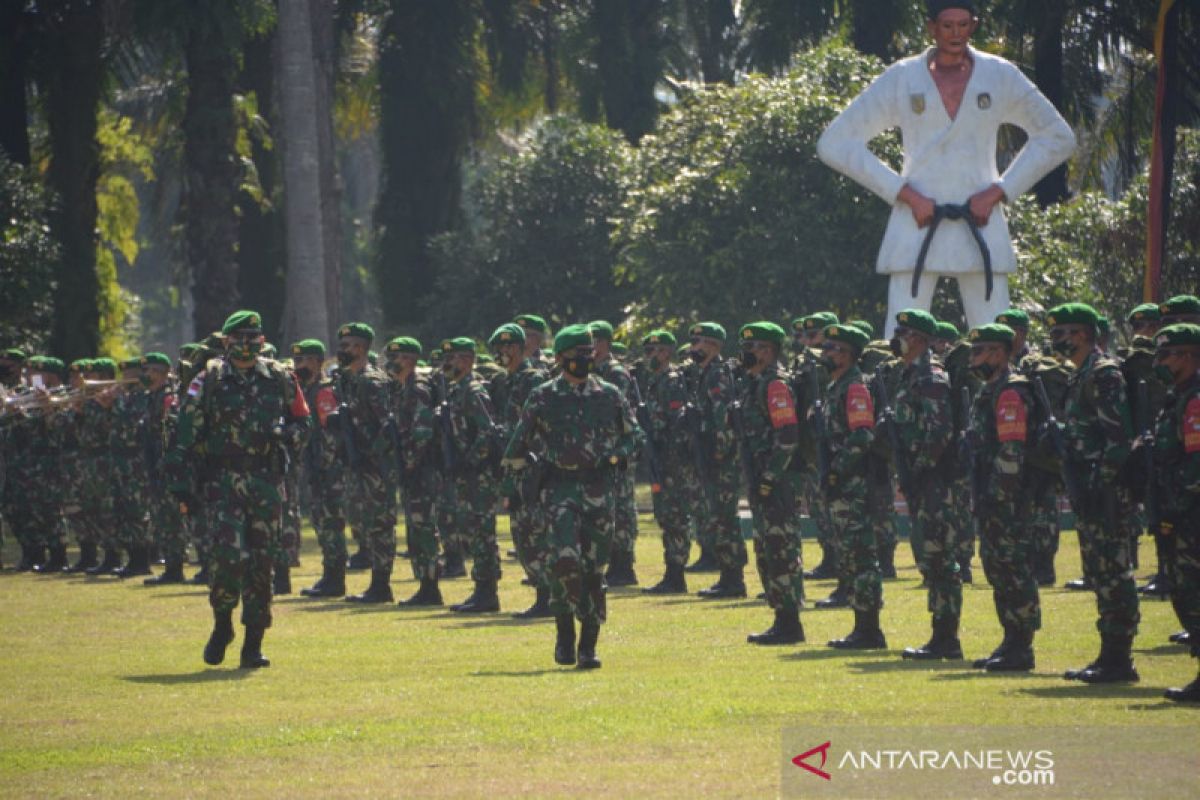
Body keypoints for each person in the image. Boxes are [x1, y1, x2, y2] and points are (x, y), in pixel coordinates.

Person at [816, 0, 1075, 334]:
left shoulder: (999, 75)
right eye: (948, 25)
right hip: (916, 220)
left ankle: (1003, 388)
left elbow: (1058, 137)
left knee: (996, 337)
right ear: (932, 28)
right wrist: (902, 193)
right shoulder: (903, 77)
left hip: (981, 219)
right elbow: (834, 143)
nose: (956, 34)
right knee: (901, 340)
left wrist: (1000, 191)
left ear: (974, 25)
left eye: (963, 25)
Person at [167, 310, 312, 668]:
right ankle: (222, 625)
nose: (245, 346)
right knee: (227, 558)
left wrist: (286, 437)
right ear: (226, 342)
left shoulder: (280, 378)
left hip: (265, 481)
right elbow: (186, 431)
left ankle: (253, 642)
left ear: (262, 342)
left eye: (252, 338)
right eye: (237, 339)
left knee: (263, 563)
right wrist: (182, 484)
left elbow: (303, 422)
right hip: (222, 482)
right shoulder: (209, 378)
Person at [502, 324, 642, 668]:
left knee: (594, 570)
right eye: (577, 353)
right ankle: (564, 630)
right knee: (564, 561)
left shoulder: (608, 394)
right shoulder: (544, 395)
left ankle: (588, 645)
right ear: (562, 358)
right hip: (558, 489)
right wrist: (515, 485)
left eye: (588, 352)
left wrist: (614, 456)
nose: (585, 358)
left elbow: (633, 435)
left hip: (598, 490)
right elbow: (518, 444)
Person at [1047, 303, 1141, 683]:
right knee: (1100, 572)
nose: (1058, 341)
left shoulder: (1103, 375)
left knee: (1114, 573)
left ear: (1084, 334)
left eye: (1064, 333)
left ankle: (1119, 659)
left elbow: (1118, 440)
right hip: (1089, 487)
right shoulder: (1079, 375)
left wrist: (1099, 483)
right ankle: (1109, 655)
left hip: (1108, 490)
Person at [964, 323, 1041, 671]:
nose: (973, 358)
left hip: (1009, 498)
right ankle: (1010, 639)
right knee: (997, 566)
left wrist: (998, 496)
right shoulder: (989, 391)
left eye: (979, 351)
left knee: (1013, 567)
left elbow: (1012, 449)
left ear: (998, 353)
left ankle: (1022, 645)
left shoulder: (1010, 391)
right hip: (992, 495)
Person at [887, 310, 961, 660]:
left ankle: (947, 638)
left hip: (934, 480)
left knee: (940, 558)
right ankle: (939, 635)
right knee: (928, 557)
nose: (897, 338)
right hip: (919, 480)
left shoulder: (931, 377)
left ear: (919, 338)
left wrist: (918, 471)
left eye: (903, 332)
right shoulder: (907, 376)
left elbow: (939, 433)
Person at [735, 323, 806, 644]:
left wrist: (769, 479)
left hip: (777, 483)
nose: (748, 353)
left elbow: (788, 437)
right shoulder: (754, 383)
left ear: (770, 351)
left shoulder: (776, 385)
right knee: (766, 551)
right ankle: (781, 618)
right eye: (746, 347)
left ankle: (790, 622)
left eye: (755, 347)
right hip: (762, 481)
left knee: (781, 550)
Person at [819, 324, 886, 650]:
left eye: (834, 349)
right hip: (842, 484)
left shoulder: (855, 388)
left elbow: (863, 435)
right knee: (849, 555)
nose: (827, 353)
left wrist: (838, 469)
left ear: (849, 355)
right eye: (826, 347)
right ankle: (861, 626)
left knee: (861, 556)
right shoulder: (835, 387)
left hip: (855, 484)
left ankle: (869, 629)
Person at [1147, 323, 1200, 702]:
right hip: (1178, 509)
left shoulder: (1194, 399)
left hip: (1192, 513)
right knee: (1183, 591)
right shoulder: (1176, 396)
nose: (1160, 362)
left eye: (1167, 354)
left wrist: (1178, 507)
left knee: (1192, 590)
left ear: (1189, 356)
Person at [334, 323, 400, 604]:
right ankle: (376, 581)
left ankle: (381, 584)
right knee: (365, 522)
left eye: (348, 345)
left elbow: (388, 426)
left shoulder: (371, 381)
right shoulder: (350, 380)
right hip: (360, 464)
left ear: (361, 348)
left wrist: (377, 459)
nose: (343, 351)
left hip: (376, 466)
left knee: (380, 524)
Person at [488, 323, 550, 616]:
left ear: (521, 348)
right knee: (521, 532)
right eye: (499, 349)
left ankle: (549, 595)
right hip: (513, 465)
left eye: (509, 347)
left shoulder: (533, 379)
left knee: (536, 530)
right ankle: (542, 592)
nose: (503, 353)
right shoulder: (503, 382)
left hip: (534, 466)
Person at [441, 337, 503, 613]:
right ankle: (480, 589)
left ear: (466, 361)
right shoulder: (457, 390)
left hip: (479, 475)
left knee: (482, 533)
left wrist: (471, 460)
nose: (447, 364)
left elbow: (489, 431)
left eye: (452, 358)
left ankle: (487, 592)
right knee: (472, 531)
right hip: (467, 474)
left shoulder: (473, 391)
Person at [687, 323, 748, 599]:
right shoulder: (705, 374)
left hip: (721, 458)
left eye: (698, 341)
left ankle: (733, 578)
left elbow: (723, 418)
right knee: (718, 517)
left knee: (725, 517)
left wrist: (719, 454)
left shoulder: (718, 375)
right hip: (711, 454)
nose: (693, 347)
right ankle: (727, 574)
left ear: (713, 345)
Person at [385, 336, 445, 607]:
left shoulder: (417, 387)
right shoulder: (402, 388)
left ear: (410, 359)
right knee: (415, 525)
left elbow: (422, 432)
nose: (392, 363)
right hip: (413, 468)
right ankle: (424, 583)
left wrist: (409, 463)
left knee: (424, 527)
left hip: (422, 468)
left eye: (397, 357)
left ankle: (430, 585)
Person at [638, 330, 698, 595]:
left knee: (675, 516)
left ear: (667, 352)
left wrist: (660, 438)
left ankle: (676, 573)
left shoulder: (671, 381)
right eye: (647, 351)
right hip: (660, 456)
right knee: (665, 515)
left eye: (655, 351)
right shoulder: (654, 381)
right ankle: (672, 572)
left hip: (673, 459)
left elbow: (677, 423)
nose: (650, 356)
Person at [294, 339, 350, 599]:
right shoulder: (304, 390)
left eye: (305, 360)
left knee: (331, 523)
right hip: (315, 468)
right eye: (297, 361)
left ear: (318, 362)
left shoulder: (323, 391)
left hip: (329, 471)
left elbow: (331, 433)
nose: (300, 365)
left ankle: (335, 578)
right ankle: (329, 574)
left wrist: (324, 467)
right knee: (320, 522)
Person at [592, 321, 640, 587]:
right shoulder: (591, 371)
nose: (591, 348)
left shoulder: (615, 373)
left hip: (618, 448)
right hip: (598, 450)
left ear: (606, 343)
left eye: (596, 341)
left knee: (621, 506)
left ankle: (623, 564)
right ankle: (612, 560)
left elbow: (622, 413)